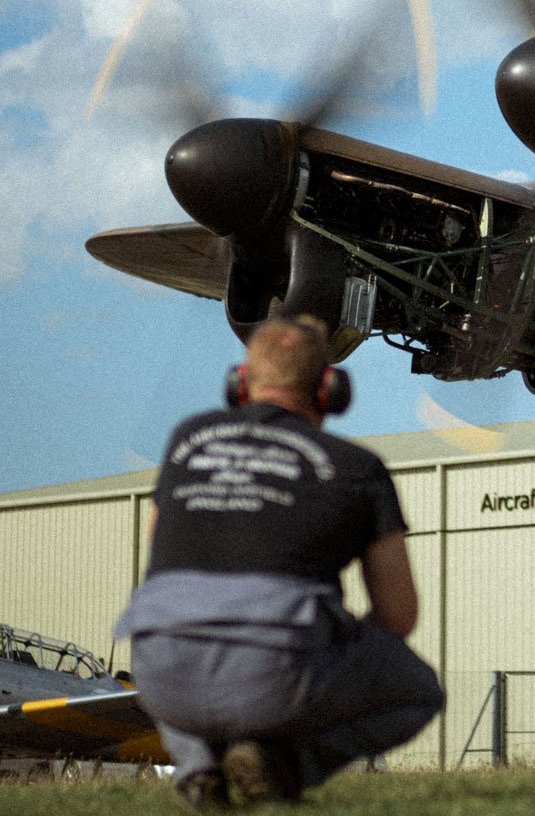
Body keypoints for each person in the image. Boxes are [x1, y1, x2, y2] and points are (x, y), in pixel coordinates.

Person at [116, 315, 442, 808]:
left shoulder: (187, 441)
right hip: (276, 673)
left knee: (181, 624)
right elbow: (398, 615)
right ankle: (285, 766)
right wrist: (332, 644)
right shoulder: (359, 468)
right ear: (331, 389)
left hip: (160, 677)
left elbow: (160, 556)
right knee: (419, 691)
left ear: (239, 384)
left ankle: (200, 767)